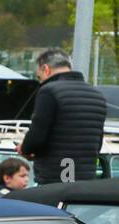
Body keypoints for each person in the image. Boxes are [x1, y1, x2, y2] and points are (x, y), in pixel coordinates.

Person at [20, 48, 106, 185]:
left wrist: (25, 149)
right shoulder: (97, 96)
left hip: (56, 176)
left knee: (54, 207)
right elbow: (98, 142)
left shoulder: (49, 91)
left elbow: (37, 136)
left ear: (46, 69)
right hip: (86, 178)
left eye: (39, 77)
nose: (40, 81)